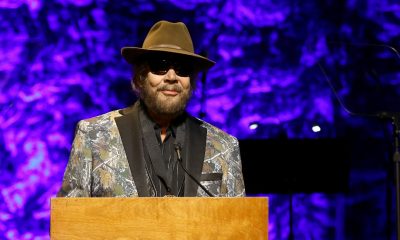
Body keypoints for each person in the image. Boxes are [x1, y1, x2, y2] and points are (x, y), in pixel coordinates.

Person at [57, 20, 245, 197]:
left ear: (191, 81)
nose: (172, 77)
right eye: (160, 66)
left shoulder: (224, 146)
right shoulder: (93, 136)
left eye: (182, 69)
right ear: (140, 77)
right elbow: (69, 222)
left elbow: (240, 224)